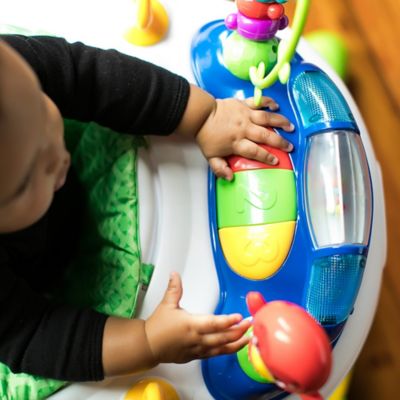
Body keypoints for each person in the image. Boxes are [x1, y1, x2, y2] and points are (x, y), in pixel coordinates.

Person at [0, 35, 294, 382]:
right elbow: (33, 336)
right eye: (25, 182)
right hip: (29, 282)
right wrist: (147, 342)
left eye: (42, 105)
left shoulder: (12, 70)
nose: (58, 157)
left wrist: (201, 115)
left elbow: (88, 75)